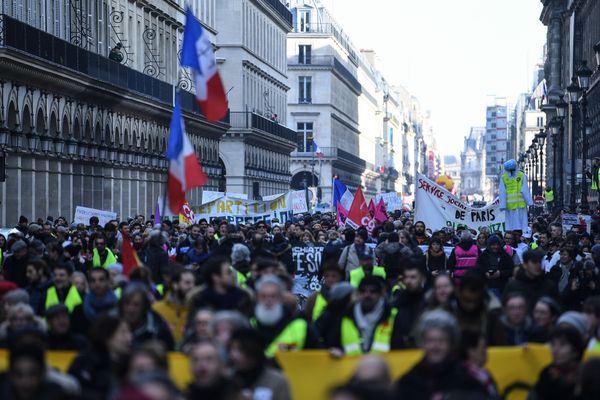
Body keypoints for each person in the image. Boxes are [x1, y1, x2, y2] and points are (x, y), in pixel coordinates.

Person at [394, 310, 488, 398]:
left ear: (451, 344)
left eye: (441, 340)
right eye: (430, 340)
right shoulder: (410, 381)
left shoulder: (467, 381)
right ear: (422, 343)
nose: (435, 346)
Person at [252, 274, 319, 358]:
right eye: (264, 296)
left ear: (281, 299)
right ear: (257, 298)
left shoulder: (301, 326)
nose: (268, 300)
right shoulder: (248, 325)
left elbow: (318, 355)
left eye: (273, 296)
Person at [68, 315, 132, 400]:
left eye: (129, 332)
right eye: (123, 333)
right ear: (107, 336)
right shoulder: (85, 362)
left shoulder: (132, 364)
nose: (129, 338)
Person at [229, 328, 292, 400]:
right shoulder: (228, 378)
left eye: (240, 350)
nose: (233, 355)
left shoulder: (277, 381)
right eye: (232, 349)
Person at [529, 325, 586, 400]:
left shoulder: (586, 376)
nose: (555, 350)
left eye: (562, 344)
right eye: (553, 344)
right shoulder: (547, 373)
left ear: (576, 351)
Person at [188, 255, 253, 318]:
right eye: (228, 272)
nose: (233, 275)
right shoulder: (198, 299)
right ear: (216, 277)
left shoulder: (243, 297)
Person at [0, 342, 66, 400]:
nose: (25, 382)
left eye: (32, 374)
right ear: (10, 375)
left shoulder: (58, 395)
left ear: (42, 373)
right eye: (19, 375)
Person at [119, 283, 175, 350]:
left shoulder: (158, 326)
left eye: (136, 305)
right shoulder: (112, 322)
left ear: (144, 306)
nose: (131, 309)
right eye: (127, 303)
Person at [152, 267, 195, 344]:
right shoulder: (156, 309)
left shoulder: (195, 311)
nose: (192, 287)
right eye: (187, 283)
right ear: (175, 285)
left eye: (193, 283)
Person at [392, 260, 428, 348]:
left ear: (422, 278)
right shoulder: (397, 302)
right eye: (406, 277)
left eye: (413, 277)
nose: (408, 281)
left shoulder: (429, 302)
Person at [459, 330, 498, 398]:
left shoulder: (484, 373)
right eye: (483, 347)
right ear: (471, 351)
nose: (486, 351)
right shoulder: (466, 376)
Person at [499, 159, 533, 232]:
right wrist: (530, 202)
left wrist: (502, 206)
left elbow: (502, 193)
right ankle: (522, 237)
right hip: (520, 205)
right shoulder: (521, 175)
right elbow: (525, 190)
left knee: (511, 226)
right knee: (522, 225)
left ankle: (511, 236)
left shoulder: (504, 177)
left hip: (510, 206)